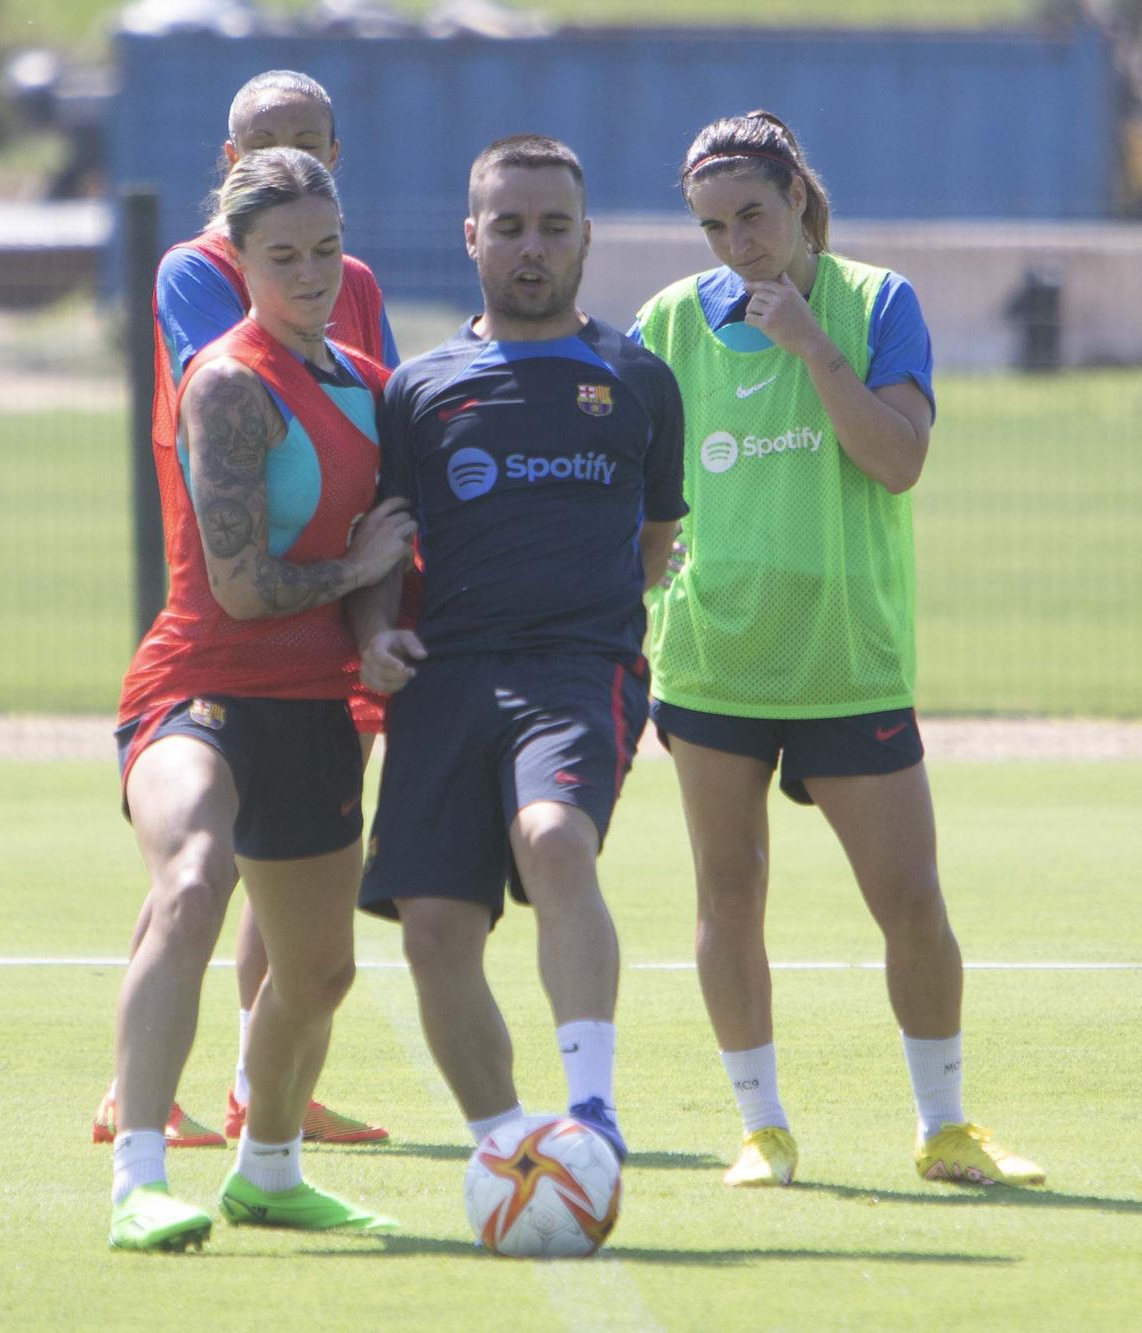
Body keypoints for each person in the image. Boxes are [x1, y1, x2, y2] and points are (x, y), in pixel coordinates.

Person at [630, 111, 1045, 1190]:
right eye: (713, 227)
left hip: (845, 658)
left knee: (909, 897)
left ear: (799, 201)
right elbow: (634, 497)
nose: (735, 246)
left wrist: (810, 346)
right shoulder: (667, 325)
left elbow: (896, 460)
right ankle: (761, 1128)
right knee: (728, 891)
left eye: (753, 217)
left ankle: (943, 1125)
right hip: (713, 657)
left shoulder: (876, 304)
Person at [347, 135, 686, 1162]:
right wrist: (371, 637)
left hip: (577, 671)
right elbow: (383, 550)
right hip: (445, 684)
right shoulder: (417, 388)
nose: (529, 248)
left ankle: (589, 1112)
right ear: (471, 237)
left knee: (553, 839)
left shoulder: (638, 380)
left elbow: (654, 546)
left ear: (586, 237)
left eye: (551, 227)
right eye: (507, 227)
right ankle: (510, 1150)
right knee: (434, 930)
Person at [107, 148, 416, 1252]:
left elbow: (386, 552)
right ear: (235, 261)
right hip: (199, 682)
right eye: (282, 255)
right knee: (193, 878)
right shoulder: (228, 383)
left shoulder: (375, 389)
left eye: (327, 250)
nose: (311, 273)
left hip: (317, 704)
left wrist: (377, 634)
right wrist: (349, 574)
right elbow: (241, 588)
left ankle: (268, 1170)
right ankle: (139, 1174)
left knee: (318, 970)